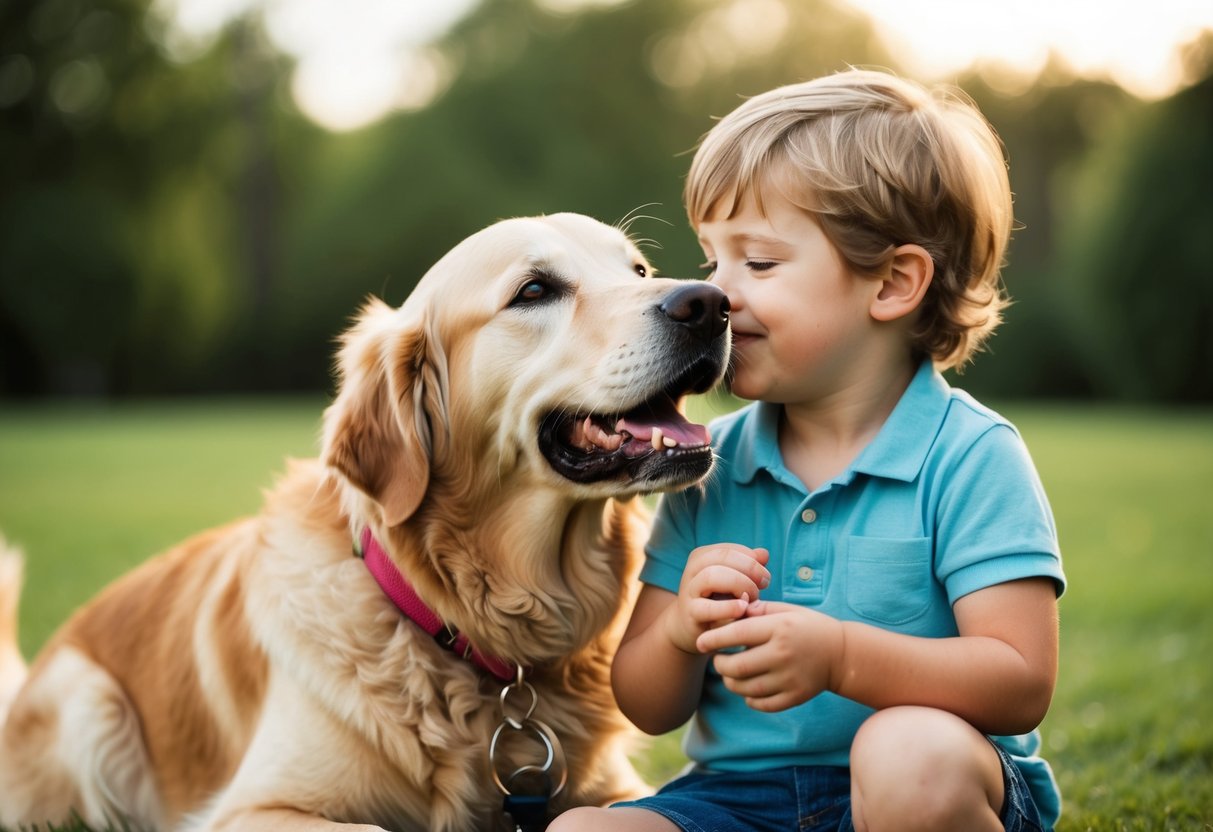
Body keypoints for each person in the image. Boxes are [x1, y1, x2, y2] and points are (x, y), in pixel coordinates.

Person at [549, 68, 1066, 832]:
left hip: (927, 781)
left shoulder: (969, 457)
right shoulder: (705, 464)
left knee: (904, 754)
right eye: (710, 257)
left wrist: (842, 657)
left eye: (757, 263)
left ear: (892, 283)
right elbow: (646, 702)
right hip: (737, 800)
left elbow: (1019, 680)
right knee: (584, 830)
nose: (717, 293)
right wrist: (682, 630)